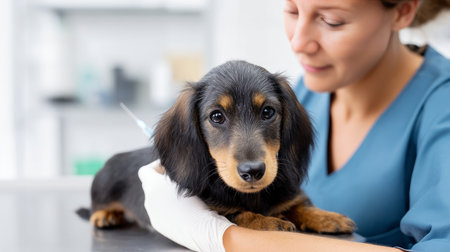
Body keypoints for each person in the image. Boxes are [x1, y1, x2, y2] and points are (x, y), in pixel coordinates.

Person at [138, 0, 450, 251]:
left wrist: (223, 237)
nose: (299, 42)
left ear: (404, 10)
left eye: (331, 20)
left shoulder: (441, 107)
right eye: (292, 10)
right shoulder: (307, 93)